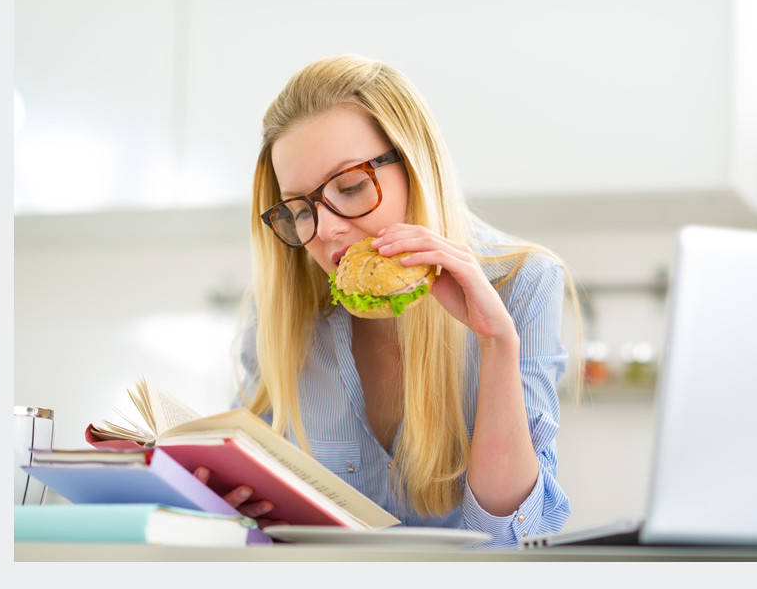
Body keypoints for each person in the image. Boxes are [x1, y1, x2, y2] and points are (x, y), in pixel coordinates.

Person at [195, 54, 582, 547]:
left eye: (352, 187)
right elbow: (249, 514)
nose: (328, 229)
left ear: (416, 166)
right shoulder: (281, 307)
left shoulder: (521, 283)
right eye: (298, 209)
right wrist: (232, 509)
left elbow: (510, 539)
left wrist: (496, 342)